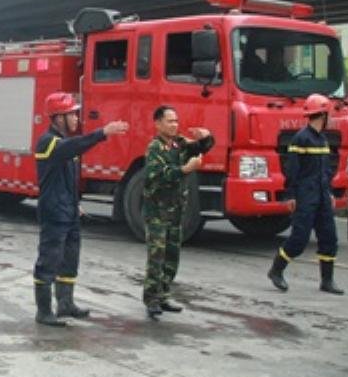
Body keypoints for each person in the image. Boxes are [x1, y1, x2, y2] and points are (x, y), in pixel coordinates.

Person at [31, 92, 128, 326]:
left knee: (69, 259)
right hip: (54, 212)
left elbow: (68, 179)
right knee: (49, 260)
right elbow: (73, 147)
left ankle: (65, 304)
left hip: (69, 211)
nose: (77, 118)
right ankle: (43, 312)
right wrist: (102, 133)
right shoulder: (49, 142)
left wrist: (76, 205)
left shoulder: (66, 145)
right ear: (57, 118)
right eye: (72, 114)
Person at [267, 93, 344, 295]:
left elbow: (325, 171)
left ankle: (327, 281)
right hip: (305, 196)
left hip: (321, 196)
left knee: (329, 238)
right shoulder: (301, 138)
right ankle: (276, 270)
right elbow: (292, 170)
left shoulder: (323, 140)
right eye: (328, 113)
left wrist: (329, 193)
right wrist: (291, 195)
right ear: (321, 115)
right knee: (299, 239)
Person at [142, 106, 214, 319]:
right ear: (158, 124)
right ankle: (151, 299)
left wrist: (207, 138)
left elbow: (200, 148)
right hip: (157, 210)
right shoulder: (155, 148)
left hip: (176, 210)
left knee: (172, 255)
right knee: (157, 255)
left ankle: (164, 294)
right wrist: (184, 170)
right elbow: (156, 175)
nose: (174, 125)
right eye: (169, 121)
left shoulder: (179, 143)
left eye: (176, 121)